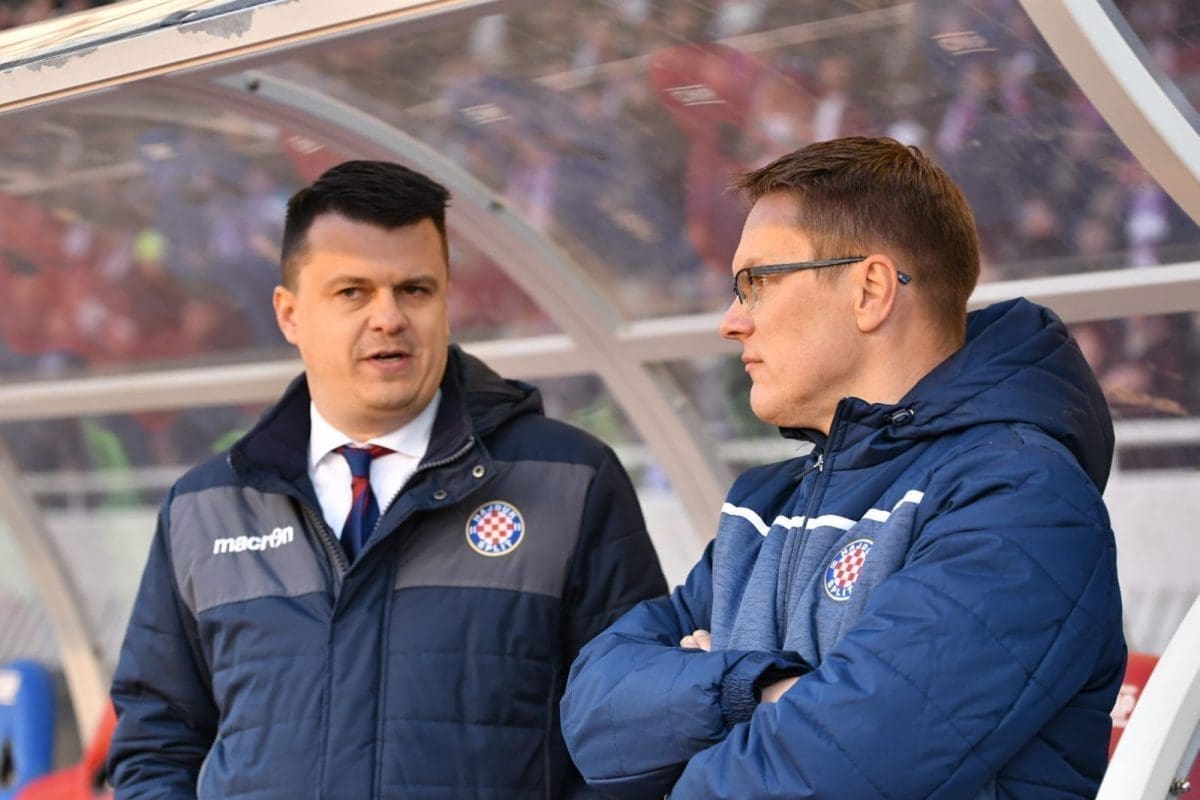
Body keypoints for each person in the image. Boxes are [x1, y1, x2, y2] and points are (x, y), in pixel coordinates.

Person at [560, 136, 1125, 798]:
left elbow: (827, 772)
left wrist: (698, 700)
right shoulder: (766, 504)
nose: (731, 322)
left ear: (871, 290)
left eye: (756, 283)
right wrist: (757, 689)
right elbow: (595, 714)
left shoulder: (1024, 499)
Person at [108, 160, 667, 798]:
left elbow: (633, 734)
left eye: (415, 290)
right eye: (353, 292)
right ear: (290, 314)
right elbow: (155, 741)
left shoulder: (568, 480)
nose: (389, 317)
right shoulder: (206, 507)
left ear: (446, 303)